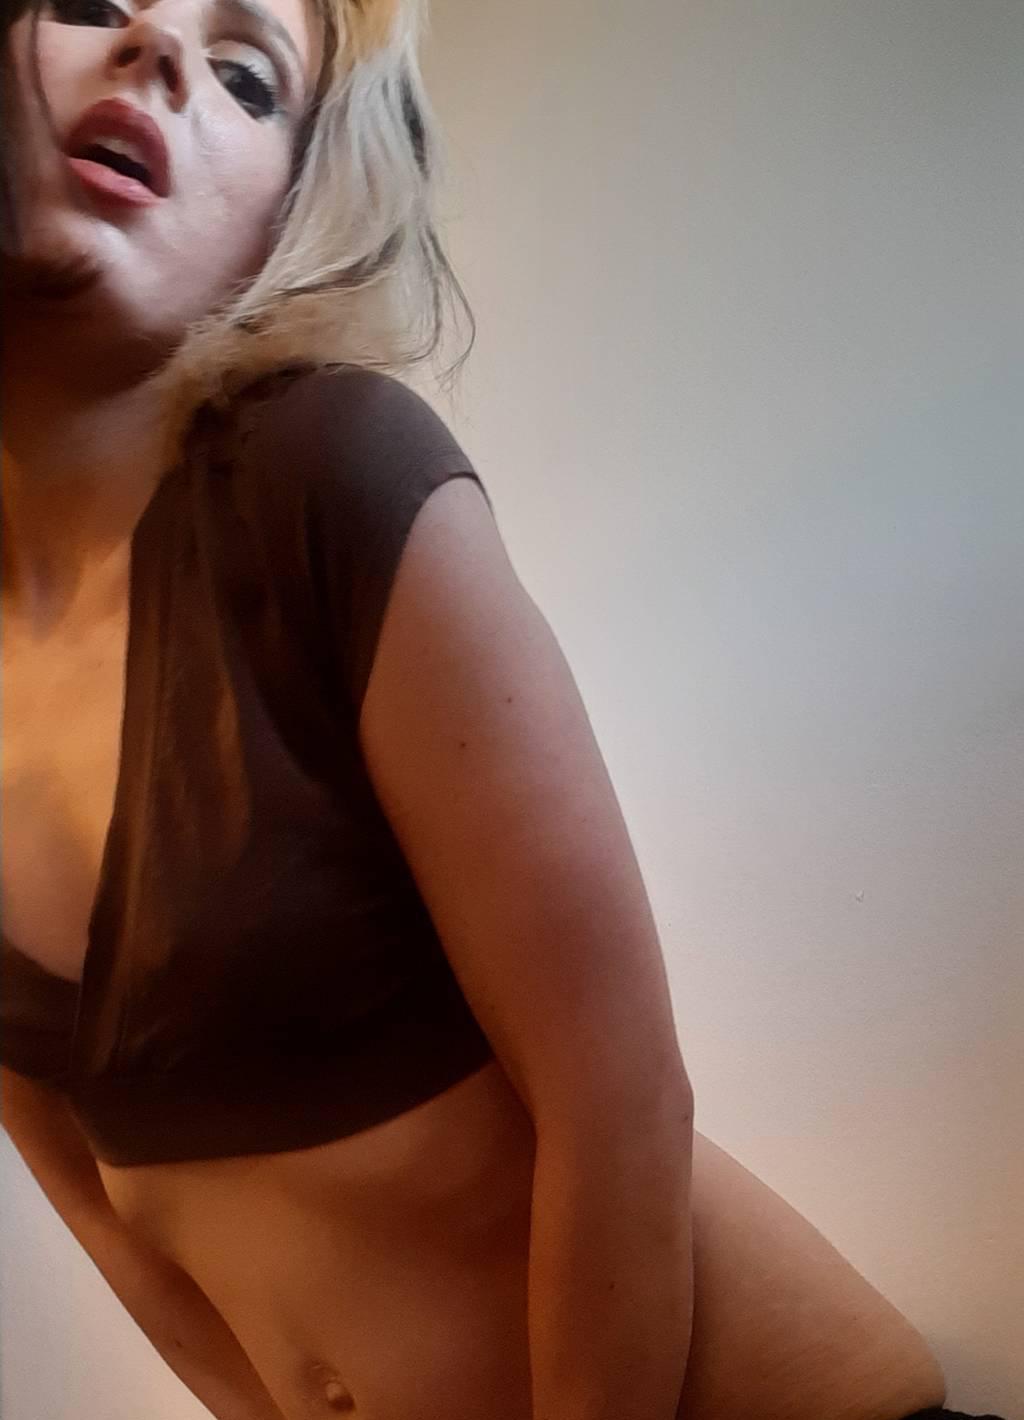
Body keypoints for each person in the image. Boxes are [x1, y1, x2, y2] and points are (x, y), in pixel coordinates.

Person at [0, 2, 1001, 1419]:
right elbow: (117, 1229)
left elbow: (618, 1096)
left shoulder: (323, 476)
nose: (158, 48)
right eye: (94, 1)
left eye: (246, 77)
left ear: (290, 218)